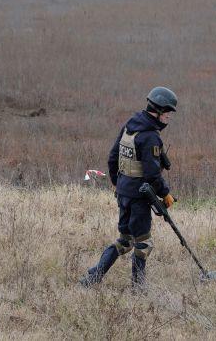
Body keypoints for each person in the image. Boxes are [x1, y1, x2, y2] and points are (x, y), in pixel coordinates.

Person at [80, 87, 177, 290]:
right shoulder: (150, 137)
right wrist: (165, 193)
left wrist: (117, 183)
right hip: (139, 196)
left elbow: (112, 157)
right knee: (143, 243)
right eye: (168, 112)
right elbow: (152, 175)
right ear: (158, 111)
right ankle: (138, 288)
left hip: (123, 192)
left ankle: (93, 278)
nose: (168, 117)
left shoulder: (130, 126)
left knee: (124, 241)